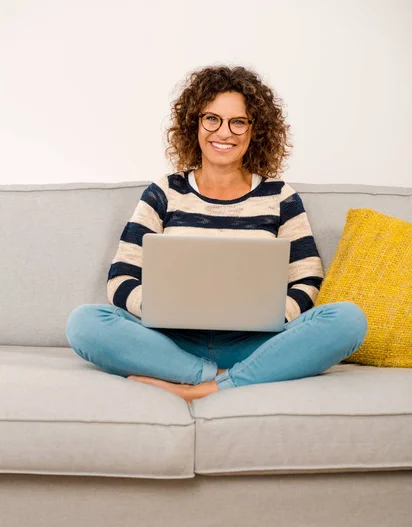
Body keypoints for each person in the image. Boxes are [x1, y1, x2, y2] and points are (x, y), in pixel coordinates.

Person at [66, 65, 368, 403]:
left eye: (238, 122)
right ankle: (222, 377)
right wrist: (159, 309)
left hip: (256, 342)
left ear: (256, 131)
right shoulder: (164, 192)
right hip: (172, 341)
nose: (224, 133)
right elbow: (122, 277)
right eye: (212, 119)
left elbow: (308, 280)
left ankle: (202, 387)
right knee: (85, 323)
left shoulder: (280, 196)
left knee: (348, 320)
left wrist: (271, 316)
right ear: (194, 123)